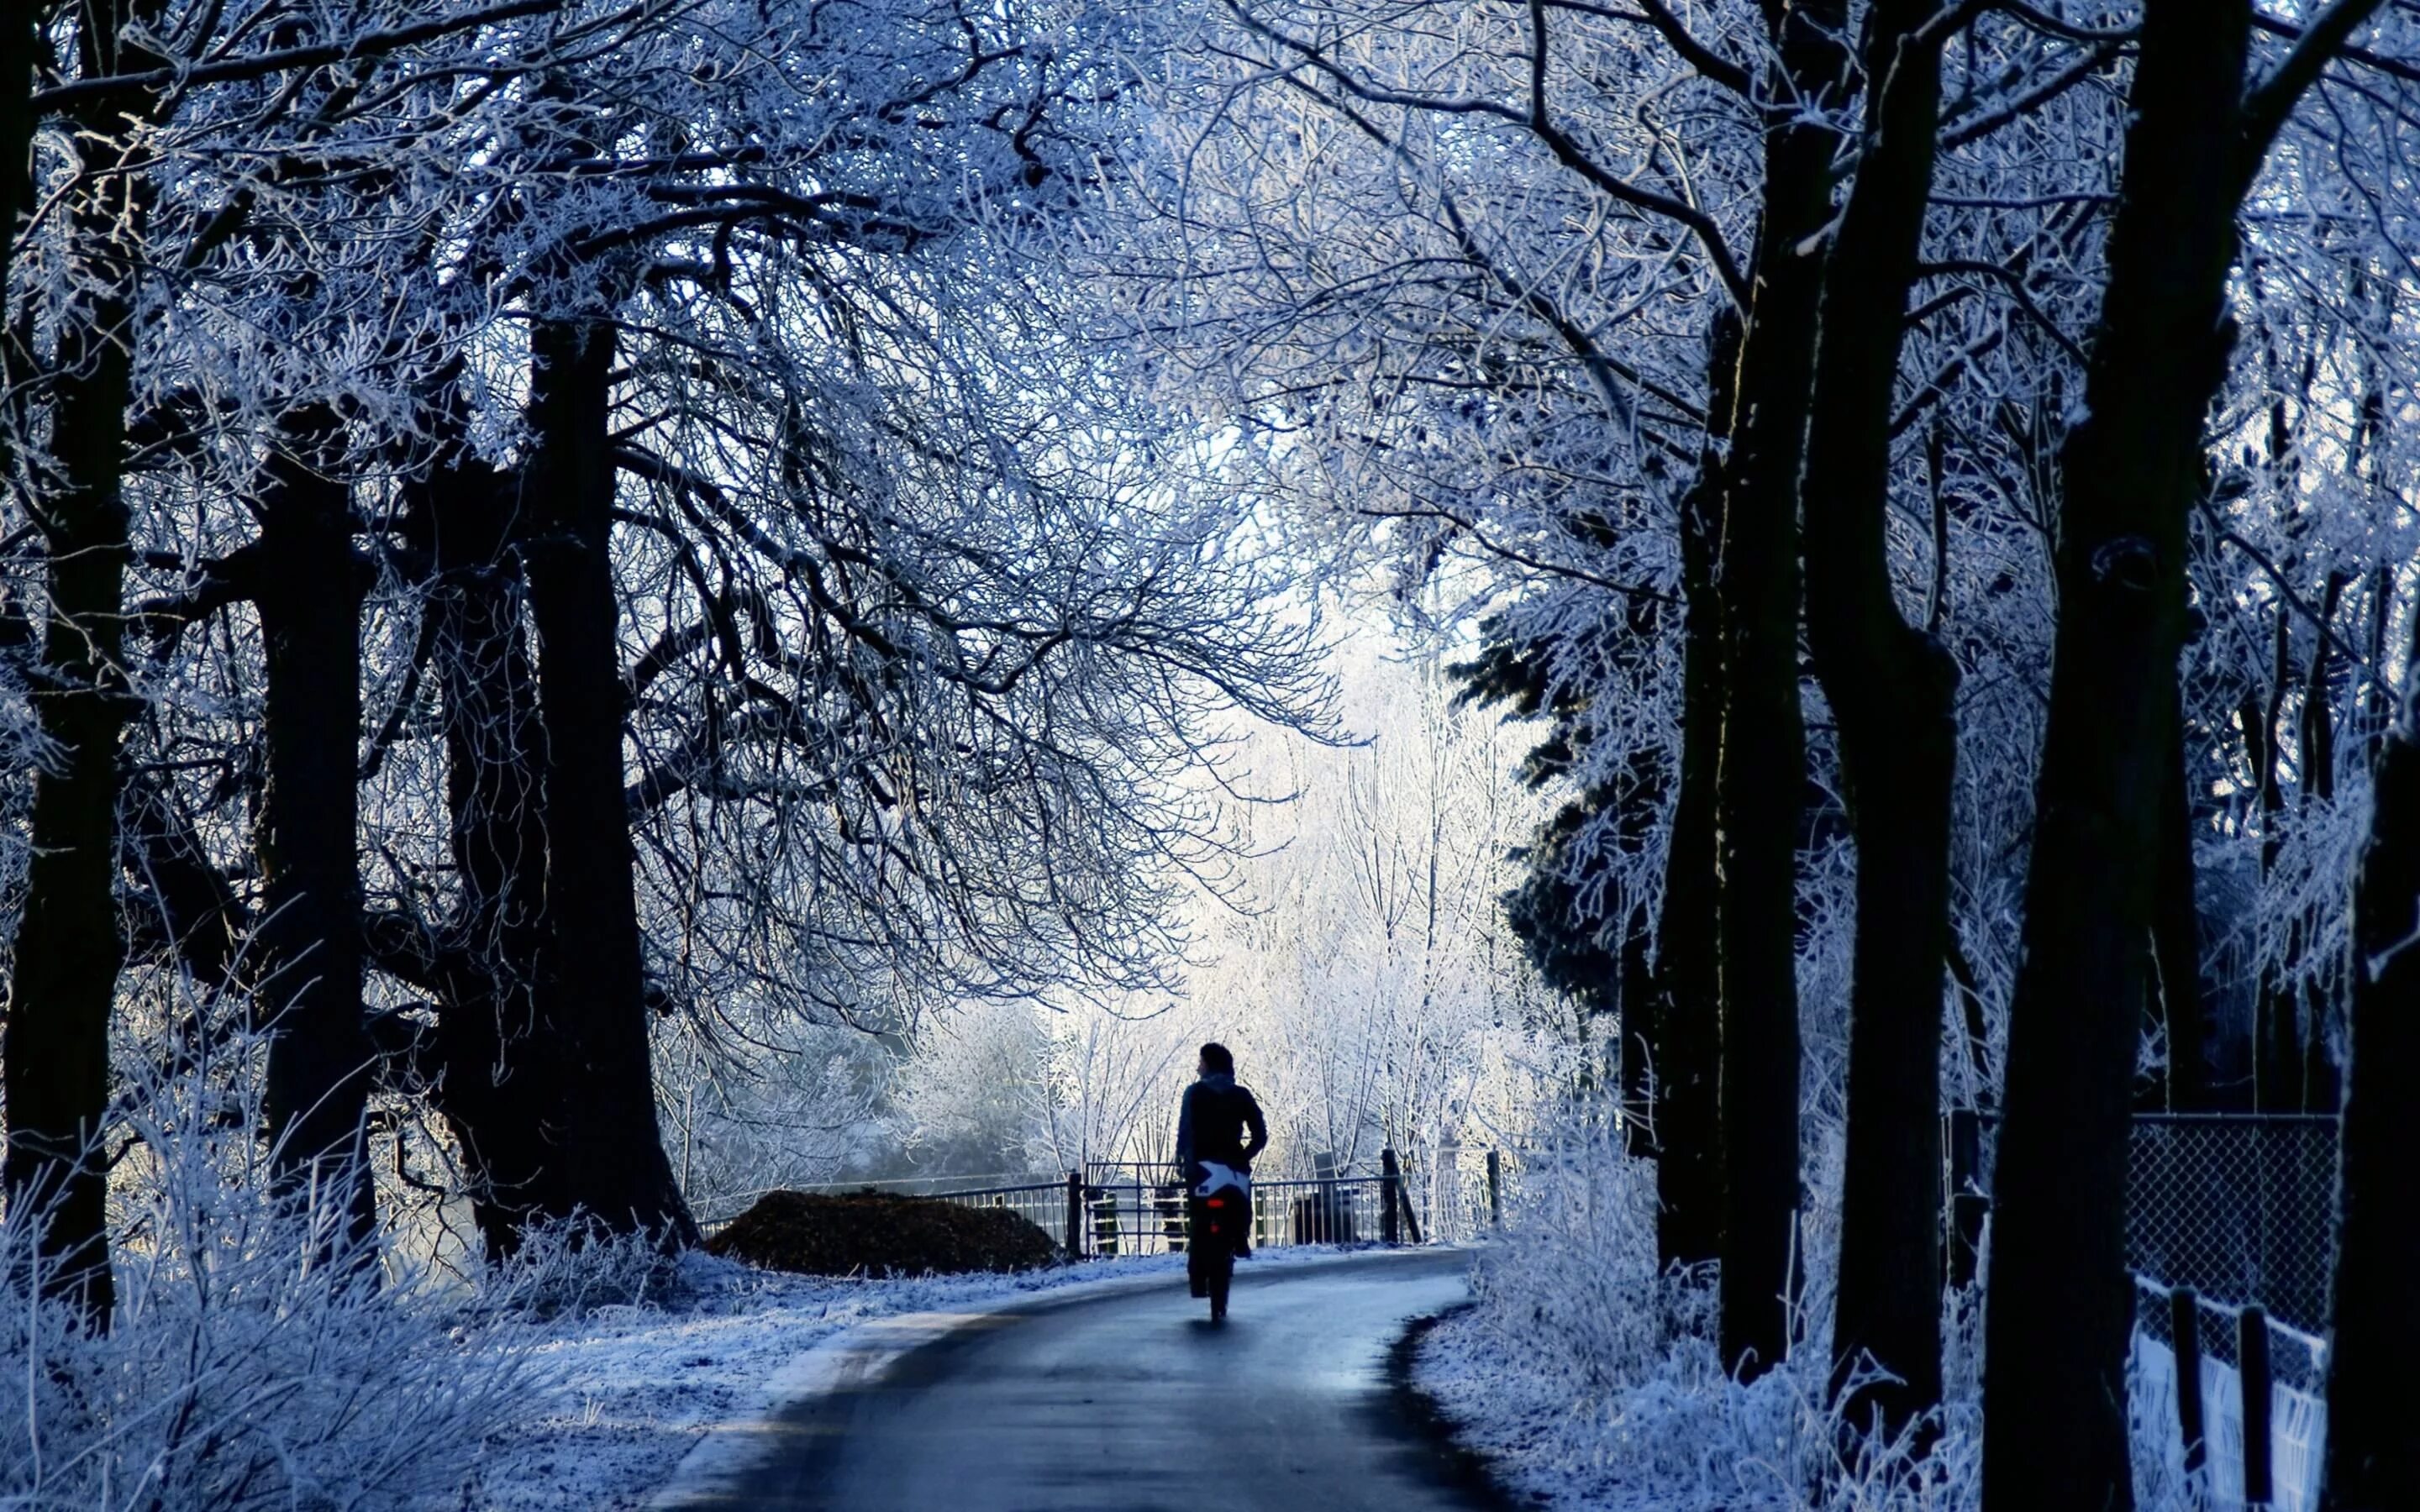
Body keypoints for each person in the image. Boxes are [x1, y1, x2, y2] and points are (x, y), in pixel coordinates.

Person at [1174, 1042, 1267, 1281]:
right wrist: (1244, 1156)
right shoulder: (1241, 1095)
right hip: (1233, 1166)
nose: (1198, 1068)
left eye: (1201, 1062)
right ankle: (1240, 1239)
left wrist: (1182, 1159)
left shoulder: (1194, 1093)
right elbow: (1260, 1134)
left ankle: (1197, 1273)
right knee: (1241, 1204)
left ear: (1209, 1065)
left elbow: (1185, 1130)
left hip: (1202, 1166)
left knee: (1197, 1215)